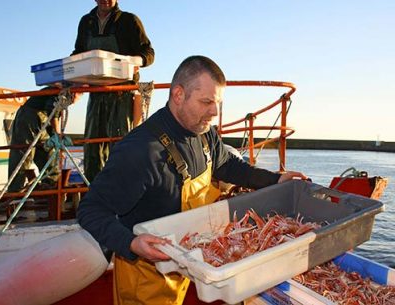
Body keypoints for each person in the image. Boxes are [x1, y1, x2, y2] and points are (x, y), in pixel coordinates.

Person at [77, 55, 308, 305]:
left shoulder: (204, 133)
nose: (215, 112)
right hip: (145, 278)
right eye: (206, 102)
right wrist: (131, 243)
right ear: (178, 95)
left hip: (185, 264)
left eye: (217, 102)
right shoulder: (140, 152)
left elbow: (227, 164)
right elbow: (91, 210)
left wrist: (276, 180)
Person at [71, 0, 155, 182]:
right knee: (92, 146)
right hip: (95, 94)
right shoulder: (86, 22)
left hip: (122, 94)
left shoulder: (129, 20)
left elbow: (148, 53)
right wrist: (68, 71)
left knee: (121, 145)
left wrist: (135, 61)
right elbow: (78, 52)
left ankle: (122, 192)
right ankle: (93, 191)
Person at [8, 88, 81, 192]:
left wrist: (55, 137)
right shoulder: (67, 91)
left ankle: (52, 187)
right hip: (30, 116)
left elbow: (54, 112)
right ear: (77, 93)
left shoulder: (64, 90)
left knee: (48, 153)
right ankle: (15, 193)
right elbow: (52, 108)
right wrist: (57, 134)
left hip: (43, 118)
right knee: (23, 155)